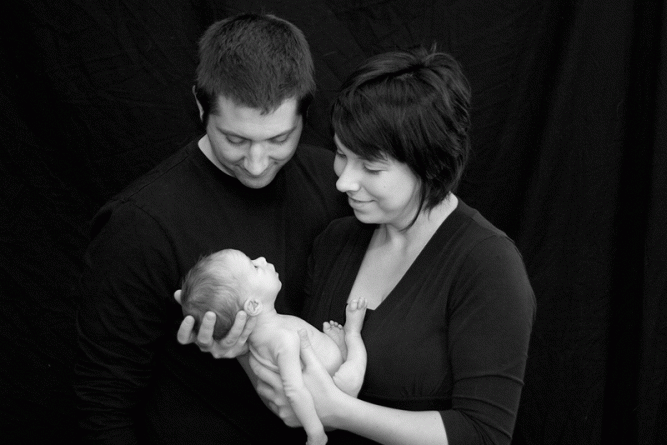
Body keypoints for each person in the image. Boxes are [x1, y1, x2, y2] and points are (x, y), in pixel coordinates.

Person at [74, 13, 349, 444]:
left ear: (305, 113)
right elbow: (102, 403)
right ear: (201, 108)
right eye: (236, 140)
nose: (256, 163)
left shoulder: (340, 186)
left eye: (278, 140)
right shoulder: (140, 225)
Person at [244, 47, 537, 444]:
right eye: (341, 154)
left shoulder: (487, 265)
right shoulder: (335, 241)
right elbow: (302, 386)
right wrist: (244, 344)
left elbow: (484, 435)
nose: (344, 181)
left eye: (371, 167)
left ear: (430, 166)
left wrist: (341, 411)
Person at [177, 248, 368, 445]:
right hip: (337, 390)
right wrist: (316, 433)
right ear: (253, 306)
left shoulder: (258, 341)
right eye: (254, 267)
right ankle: (352, 333)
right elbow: (295, 392)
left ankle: (338, 348)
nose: (261, 259)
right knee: (352, 370)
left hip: (326, 381)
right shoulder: (283, 339)